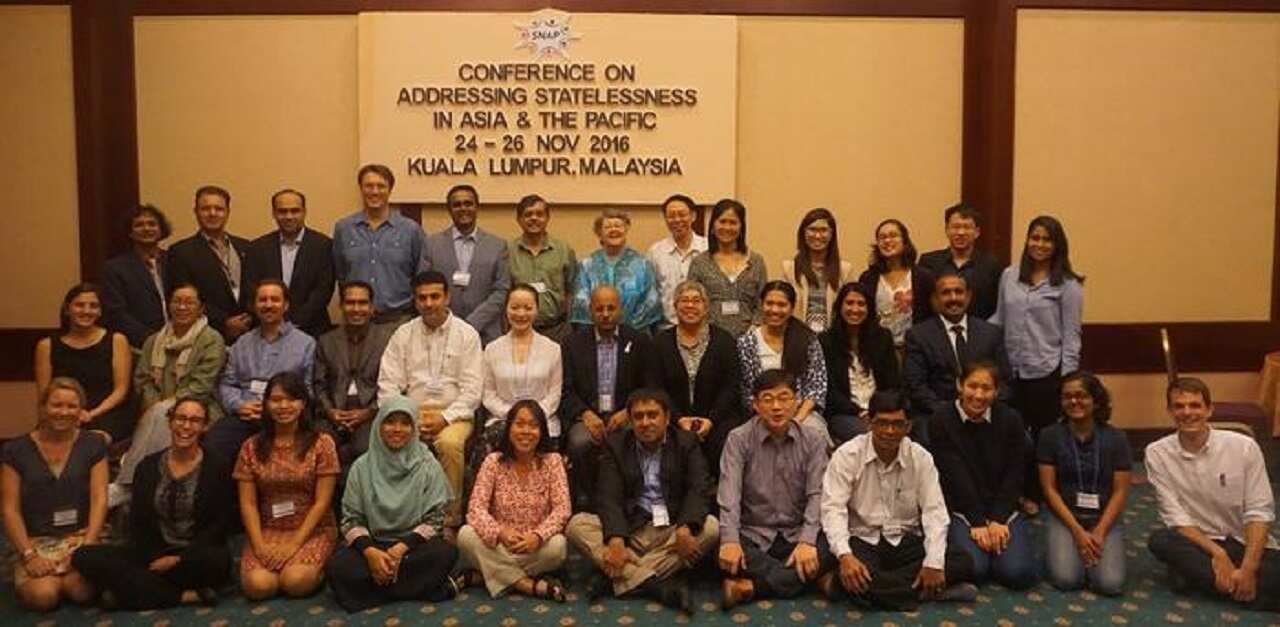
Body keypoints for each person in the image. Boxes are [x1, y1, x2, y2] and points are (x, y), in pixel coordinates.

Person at [819, 389, 976, 611]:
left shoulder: (920, 457)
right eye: (882, 423)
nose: (889, 431)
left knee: (962, 561)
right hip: (862, 539)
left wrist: (933, 563)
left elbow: (934, 512)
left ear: (908, 426)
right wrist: (845, 556)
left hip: (904, 540)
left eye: (897, 424)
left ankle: (847, 587)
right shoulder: (847, 455)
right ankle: (928, 591)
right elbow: (833, 510)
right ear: (868, 423)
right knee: (855, 569)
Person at [566, 389, 718, 614]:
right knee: (576, 525)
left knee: (712, 528)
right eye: (638, 417)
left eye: (652, 415)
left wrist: (686, 527)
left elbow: (699, 488)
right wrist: (616, 540)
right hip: (631, 529)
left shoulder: (686, 442)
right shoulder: (617, 445)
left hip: (670, 530)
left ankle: (615, 576)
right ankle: (656, 586)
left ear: (667, 418)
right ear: (630, 420)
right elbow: (608, 496)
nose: (645, 423)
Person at [73, 397, 234, 609]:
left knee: (218, 561)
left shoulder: (218, 466)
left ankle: (131, 592)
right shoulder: (147, 467)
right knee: (83, 556)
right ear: (170, 422)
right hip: (153, 554)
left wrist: (178, 559)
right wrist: (155, 558)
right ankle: (187, 596)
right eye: (180, 418)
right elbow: (139, 524)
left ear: (205, 427)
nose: (186, 426)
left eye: (195, 420)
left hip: (194, 556)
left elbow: (219, 525)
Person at [1147, 377, 1280, 612]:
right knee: (1160, 540)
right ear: (1170, 411)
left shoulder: (1244, 447)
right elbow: (1176, 518)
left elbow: (1260, 511)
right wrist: (1218, 553)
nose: (1187, 412)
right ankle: (1249, 593)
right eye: (1179, 406)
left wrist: (1248, 568)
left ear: (1209, 410)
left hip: (1243, 542)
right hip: (1201, 543)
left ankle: (1203, 582)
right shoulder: (1157, 453)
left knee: (1269, 569)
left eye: (1195, 405)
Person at [326, 395, 460, 612]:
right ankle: (424, 589)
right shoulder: (362, 467)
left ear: (414, 428)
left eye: (405, 423)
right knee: (337, 566)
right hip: (373, 545)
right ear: (378, 425)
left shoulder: (427, 464)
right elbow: (351, 521)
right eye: (390, 422)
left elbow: (434, 520)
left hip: (413, 547)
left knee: (446, 553)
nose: (397, 429)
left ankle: (372, 592)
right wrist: (371, 553)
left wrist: (399, 550)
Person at [718, 370, 833, 608]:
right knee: (722, 546)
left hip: (797, 533)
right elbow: (730, 494)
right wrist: (730, 541)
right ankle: (808, 578)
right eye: (768, 399)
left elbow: (817, 495)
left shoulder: (814, 439)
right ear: (755, 405)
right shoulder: (738, 438)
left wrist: (807, 542)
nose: (777, 407)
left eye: (784, 398)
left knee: (834, 544)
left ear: (796, 401)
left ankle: (751, 588)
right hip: (754, 534)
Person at [991, 215, 1084, 508]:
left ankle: (1038, 493)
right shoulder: (1010, 275)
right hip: (1010, 369)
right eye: (1035, 237)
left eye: (1046, 239)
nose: (1039, 244)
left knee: (1044, 438)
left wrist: (1068, 380)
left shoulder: (1068, 285)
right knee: (1011, 435)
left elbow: (1071, 335)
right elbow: (999, 319)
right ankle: (1013, 492)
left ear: (1057, 245)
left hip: (1046, 371)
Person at [378, 270, 483, 527]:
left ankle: (448, 519)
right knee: (394, 438)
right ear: (415, 301)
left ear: (447, 297)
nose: (428, 303)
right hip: (410, 413)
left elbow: (473, 390)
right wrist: (405, 417)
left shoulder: (467, 334)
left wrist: (445, 418)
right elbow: (388, 383)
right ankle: (404, 516)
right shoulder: (403, 334)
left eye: (435, 297)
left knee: (449, 444)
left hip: (454, 414)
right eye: (422, 298)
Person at [1, 378, 106, 612]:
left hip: (81, 536)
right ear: (43, 407)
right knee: (44, 597)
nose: (64, 412)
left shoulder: (94, 443)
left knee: (81, 591)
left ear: (81, 411)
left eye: (71, 406)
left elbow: (100, 498)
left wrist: (86, 550)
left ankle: (66, 580)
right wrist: (29, 555)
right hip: (35, 541)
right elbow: (9, 509)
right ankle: (49, 580)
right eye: (56, 405)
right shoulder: (15, 450)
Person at [928, 362, 1036, 590]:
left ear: (996, 391)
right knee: (975, 569)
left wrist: (997, 518)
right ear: (960, 385)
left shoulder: (1010, 419)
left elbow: (1015, 472)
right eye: (972, 386)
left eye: (986, 388)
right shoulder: (941, 420)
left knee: (1017, 573)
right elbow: (954, 475)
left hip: (1002, 507)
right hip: (962, 508)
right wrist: (977, 521)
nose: (978, 395)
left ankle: (999, 550)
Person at [234, 372, 339, 601]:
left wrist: (294, 544)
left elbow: (322, 502)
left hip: (312, 529)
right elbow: (248, 503)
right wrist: (259, 545)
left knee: (295, 582)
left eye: (291, 399)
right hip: (268, 529)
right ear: (266, 404)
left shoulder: (322, 443)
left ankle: (318, 570)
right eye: (276, 400)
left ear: (303, 404)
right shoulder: (251, 447)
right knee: (258, 586)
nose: (283, 406)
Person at [116, 284, 226, 489]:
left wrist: (167, 407)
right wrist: (155, 405)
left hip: (200, 407)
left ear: (201, 308)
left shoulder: (211, 340)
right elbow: (142, 380)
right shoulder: (153, 341)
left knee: (164, 414)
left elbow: (201, 385)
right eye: (177, 302)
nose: (182, 307)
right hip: (153, 409)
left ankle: (129, 483)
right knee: (160, 414)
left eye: (189, 302)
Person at [459, 401, 572, 601]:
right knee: (465, 535)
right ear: (509, 428)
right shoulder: (493, 461)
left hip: (535, 546)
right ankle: (527, 585)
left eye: (533, 425)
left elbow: (562, 510)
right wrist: (500, 533)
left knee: (558, 547)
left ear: (542, 431)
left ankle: (487, 574)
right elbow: (476, 508)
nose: (526, 431)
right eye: (519, 424)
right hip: (497, 544)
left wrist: (537, 536)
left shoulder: (553, 461)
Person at [560, 285, 657, 508]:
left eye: (611, 308)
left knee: (638, 436)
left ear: (620, 310)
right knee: (580, 442)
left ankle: (634, 497)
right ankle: (588, 500)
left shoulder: (639, 341)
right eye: (599, 308)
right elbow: (566, 389)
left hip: (627, 415)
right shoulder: (573, 344)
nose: (605, 314)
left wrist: (629, 411)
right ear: (590, 311)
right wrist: (585, 414)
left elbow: (649, 386)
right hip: (588, 417)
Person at [1037, 371, 1131, 596]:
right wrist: (1077, 531)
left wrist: (1099, 531)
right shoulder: (1050, 436)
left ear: (1096, 400)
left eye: (1081, 395)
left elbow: (1120, 491)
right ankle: (1074, 551)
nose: (1074, 401)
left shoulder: (1116, 438)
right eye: (1067, 396)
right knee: (1066, 579)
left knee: (1110, 584)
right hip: (1065, 516)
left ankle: (1088, 553)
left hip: (1103, 517)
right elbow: (1049, 489)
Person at [207, 279, 316, 465]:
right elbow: (227, 383)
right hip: (246, 416)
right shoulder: (242, 343)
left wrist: (280, 407)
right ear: (254, 306)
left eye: (275, 299)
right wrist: (239, 405)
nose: (268, 305)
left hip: (285, 419)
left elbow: (309, 389)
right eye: (263, 300)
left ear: (286, 305)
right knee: (214, 443)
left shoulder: (306, 344)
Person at [903, 273, 1010, 444]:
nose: (953, 298)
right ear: (935, 299)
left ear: (968, 296)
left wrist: (981, 406)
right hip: (937, 412)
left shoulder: (991, 333)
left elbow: (1005, 380)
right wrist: (952, 413)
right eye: (946, 293)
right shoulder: (918, 336)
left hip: (985, 408)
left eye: (959, 292)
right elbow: (916, 386)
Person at [654, 280, 743, 473]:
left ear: (706, 307)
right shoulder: (660, 342)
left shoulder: (724, 340)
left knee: (728, 436)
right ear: (675, 306)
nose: (690, 305)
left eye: (696, 300)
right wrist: (679, 419)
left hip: (717, 419)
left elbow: (731, 386)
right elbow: (657, 387)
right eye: (684, 300)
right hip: (673, 419)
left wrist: (711, 420)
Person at [34, 283, 133, 444]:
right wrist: (67, 414)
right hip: (62, 414)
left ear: (100, 311)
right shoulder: (46, 346)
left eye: (93, 306)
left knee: (89, 443)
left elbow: (120, 391)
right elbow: (44, 396)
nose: (86, 311)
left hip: (106, 414)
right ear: (67, 309)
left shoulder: (117, 340)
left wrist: (90, 414)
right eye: (80, 305)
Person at [314, 281, 396, 466]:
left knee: (363, 448)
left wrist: (370, 411)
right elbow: (319, 384)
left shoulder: (388, 339)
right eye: (350, 303)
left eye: (362, 303)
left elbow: (394, 383)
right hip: (333, 413)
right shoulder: (326, 341)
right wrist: (330, 411)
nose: (356, 309)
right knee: (321, 444)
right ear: (341, 306)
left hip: (371, 413)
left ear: (372, 307)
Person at [333, 164, 427, 323]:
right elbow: (341, 274)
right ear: (361, 189)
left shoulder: (411, 230)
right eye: (369, 186)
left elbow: (421, 276)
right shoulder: (344, 229)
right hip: (356, 319)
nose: (375, 191)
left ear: (390, 189)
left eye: (381, 186)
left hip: (399, 319)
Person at [421, 184, 511, 344]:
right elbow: (424, 288)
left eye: (468, 204)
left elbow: (502, 290)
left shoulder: (498, 245)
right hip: (442, 331)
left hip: (486, 333)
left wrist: (472, 323)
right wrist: (449, 323)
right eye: (457, 205)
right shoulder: (431, 244)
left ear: (477, 207)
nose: (463, 208)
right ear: (449, 209)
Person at [244, 188, 335, 338]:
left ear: (304, 212)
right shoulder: (257, 248)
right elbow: (251, 289)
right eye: (282, 211)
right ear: (274, 213)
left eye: (295, 211)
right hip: (267, 331)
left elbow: (323, 291)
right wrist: (274, 322)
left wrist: (292, 325)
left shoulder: (323, 246)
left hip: (312, 330)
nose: (289, 216)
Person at [165, 185, 252, 341]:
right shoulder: (180, 252)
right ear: (196, 212)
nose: (212, 213)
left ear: (227, 212)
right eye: (205, 209)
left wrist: (249, 318)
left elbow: (254, 287)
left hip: (249, 333)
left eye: (219, 209)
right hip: (206, 335)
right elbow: (183, 297)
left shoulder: (246, 247)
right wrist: (224, 322)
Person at [736, 281, 827, 430]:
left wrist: (797, 419)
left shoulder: (807, 340)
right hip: (761, 415)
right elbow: (746, 391)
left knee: (813, 431)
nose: (775, 310)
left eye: (782, 305)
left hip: (801, 414)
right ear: (762, 305)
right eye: (769, 303)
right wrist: (771, 416)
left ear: (792, 308)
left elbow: (816, 387)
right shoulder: (746, 343)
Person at [819, 282, 901, 445]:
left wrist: (878, 411)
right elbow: (830, 390)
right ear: (840, 307)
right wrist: (859, 412)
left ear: (869, 308)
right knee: (869, 437)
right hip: (844, 413)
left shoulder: (883, 338)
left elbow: (892, 383)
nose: (855, 309)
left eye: (861, 304)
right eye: (849, 303)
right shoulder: (826, 341)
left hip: (881, 410)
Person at [481, 284, 563, 446]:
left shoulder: (552, 349)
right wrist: (513, 416)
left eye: (528, 308)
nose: (521, 314)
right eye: (515, 307)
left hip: (543, 421)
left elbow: (555, 394)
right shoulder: (492, 349)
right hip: (502, 420)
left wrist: (533, 417)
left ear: (537, 310)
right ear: (506, 309)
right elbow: (488, 394)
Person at [569, 208, 663, 333]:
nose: (614, 230)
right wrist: (603, 324)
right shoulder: (587, 265)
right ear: (599, 233)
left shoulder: (642, 264)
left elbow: (651, 301)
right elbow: (581, 300)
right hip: (596, 334)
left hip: (634, 333)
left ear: (626, 229)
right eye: (607, 227)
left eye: (618, 226)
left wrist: (624, 329)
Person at [687, 199, 767, 337]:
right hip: (708, 337)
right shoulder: (699, 263)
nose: (727, 227)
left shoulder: (756, 261)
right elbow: (692, 302)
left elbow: (762, 301)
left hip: (750, 337)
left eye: (733, 222)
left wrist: (753, 331)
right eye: (722, 221)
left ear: (741, 227)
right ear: (713, 225)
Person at [857, 219, 935, 354]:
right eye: (882, 237)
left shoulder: (923, 277)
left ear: (905, 241)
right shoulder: (868, 278)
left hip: (915, 350)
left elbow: (931, 316)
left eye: (893, 235)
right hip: (878, 350)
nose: (887, 241)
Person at [507, 194, 577, 341]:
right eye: (528, 215)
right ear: (519, 219)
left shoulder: (563, 250)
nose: (534, 218)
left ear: (547, 218)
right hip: (518, 329)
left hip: (557, 331)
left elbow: (572, 290)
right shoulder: (508, 252)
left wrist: (568, 325)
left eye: (539, 214)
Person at [101, 204, 171, 348]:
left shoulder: (174, 260)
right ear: (130, 232)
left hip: (180, 342)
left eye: (152, 224)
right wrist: (152, 340)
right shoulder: (115, 268)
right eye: (139, 225)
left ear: (161, 230)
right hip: (138, 345)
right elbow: (116, 313)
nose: (146, 228)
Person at [918, 203, 1003, 320]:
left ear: (977, 232)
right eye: (956, 227)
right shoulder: (928, 262)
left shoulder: (991, 265)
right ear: (947, 230)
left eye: (967, 227)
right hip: (936, 328)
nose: (961, 232)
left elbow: (996, 306)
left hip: (979, 328)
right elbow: (922, 304)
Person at [780, 208, 854, 333]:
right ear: (803, 233)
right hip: (798, 335)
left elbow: (850, 307)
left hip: (833, 337)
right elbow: (782, 306)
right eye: (812, 229)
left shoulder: (845, 270)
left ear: (832, 234)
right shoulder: (789, 269)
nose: (818, 236)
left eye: (823, 230)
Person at [648, 194, 708, 331]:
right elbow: (652, 294)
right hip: (666, 328)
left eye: (682, 214)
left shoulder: (708, 248)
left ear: (693, 216)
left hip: (703, 328)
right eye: (671, 216)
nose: (677, 220)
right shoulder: (655, 252)